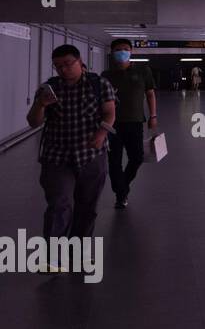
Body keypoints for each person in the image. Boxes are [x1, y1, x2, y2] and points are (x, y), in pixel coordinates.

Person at [27, 44, 117, 261]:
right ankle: (53, 257)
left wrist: (101, 134)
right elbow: (33, 122)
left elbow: (109, 113)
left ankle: (78, 252)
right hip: (57, 157)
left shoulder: (99, 84)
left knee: (86, 206)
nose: (63, 70)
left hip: (91, 156)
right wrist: (40, 104)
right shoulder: (49, 88)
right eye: (58, 66)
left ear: (80, 62)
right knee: (59, 203)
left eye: (67, 64)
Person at [102, 39, 157, 210]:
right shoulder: (106, 75)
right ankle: (121, 195)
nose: (122, 52)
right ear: (112, 53)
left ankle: (122, 187)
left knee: (137, 158)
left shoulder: (142, 71)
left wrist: (153, 115)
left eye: (125, 49)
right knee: (114, 161)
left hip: (135, 122)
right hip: (112, 125)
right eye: (118, 50)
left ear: (131, 51)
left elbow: (150, 94)